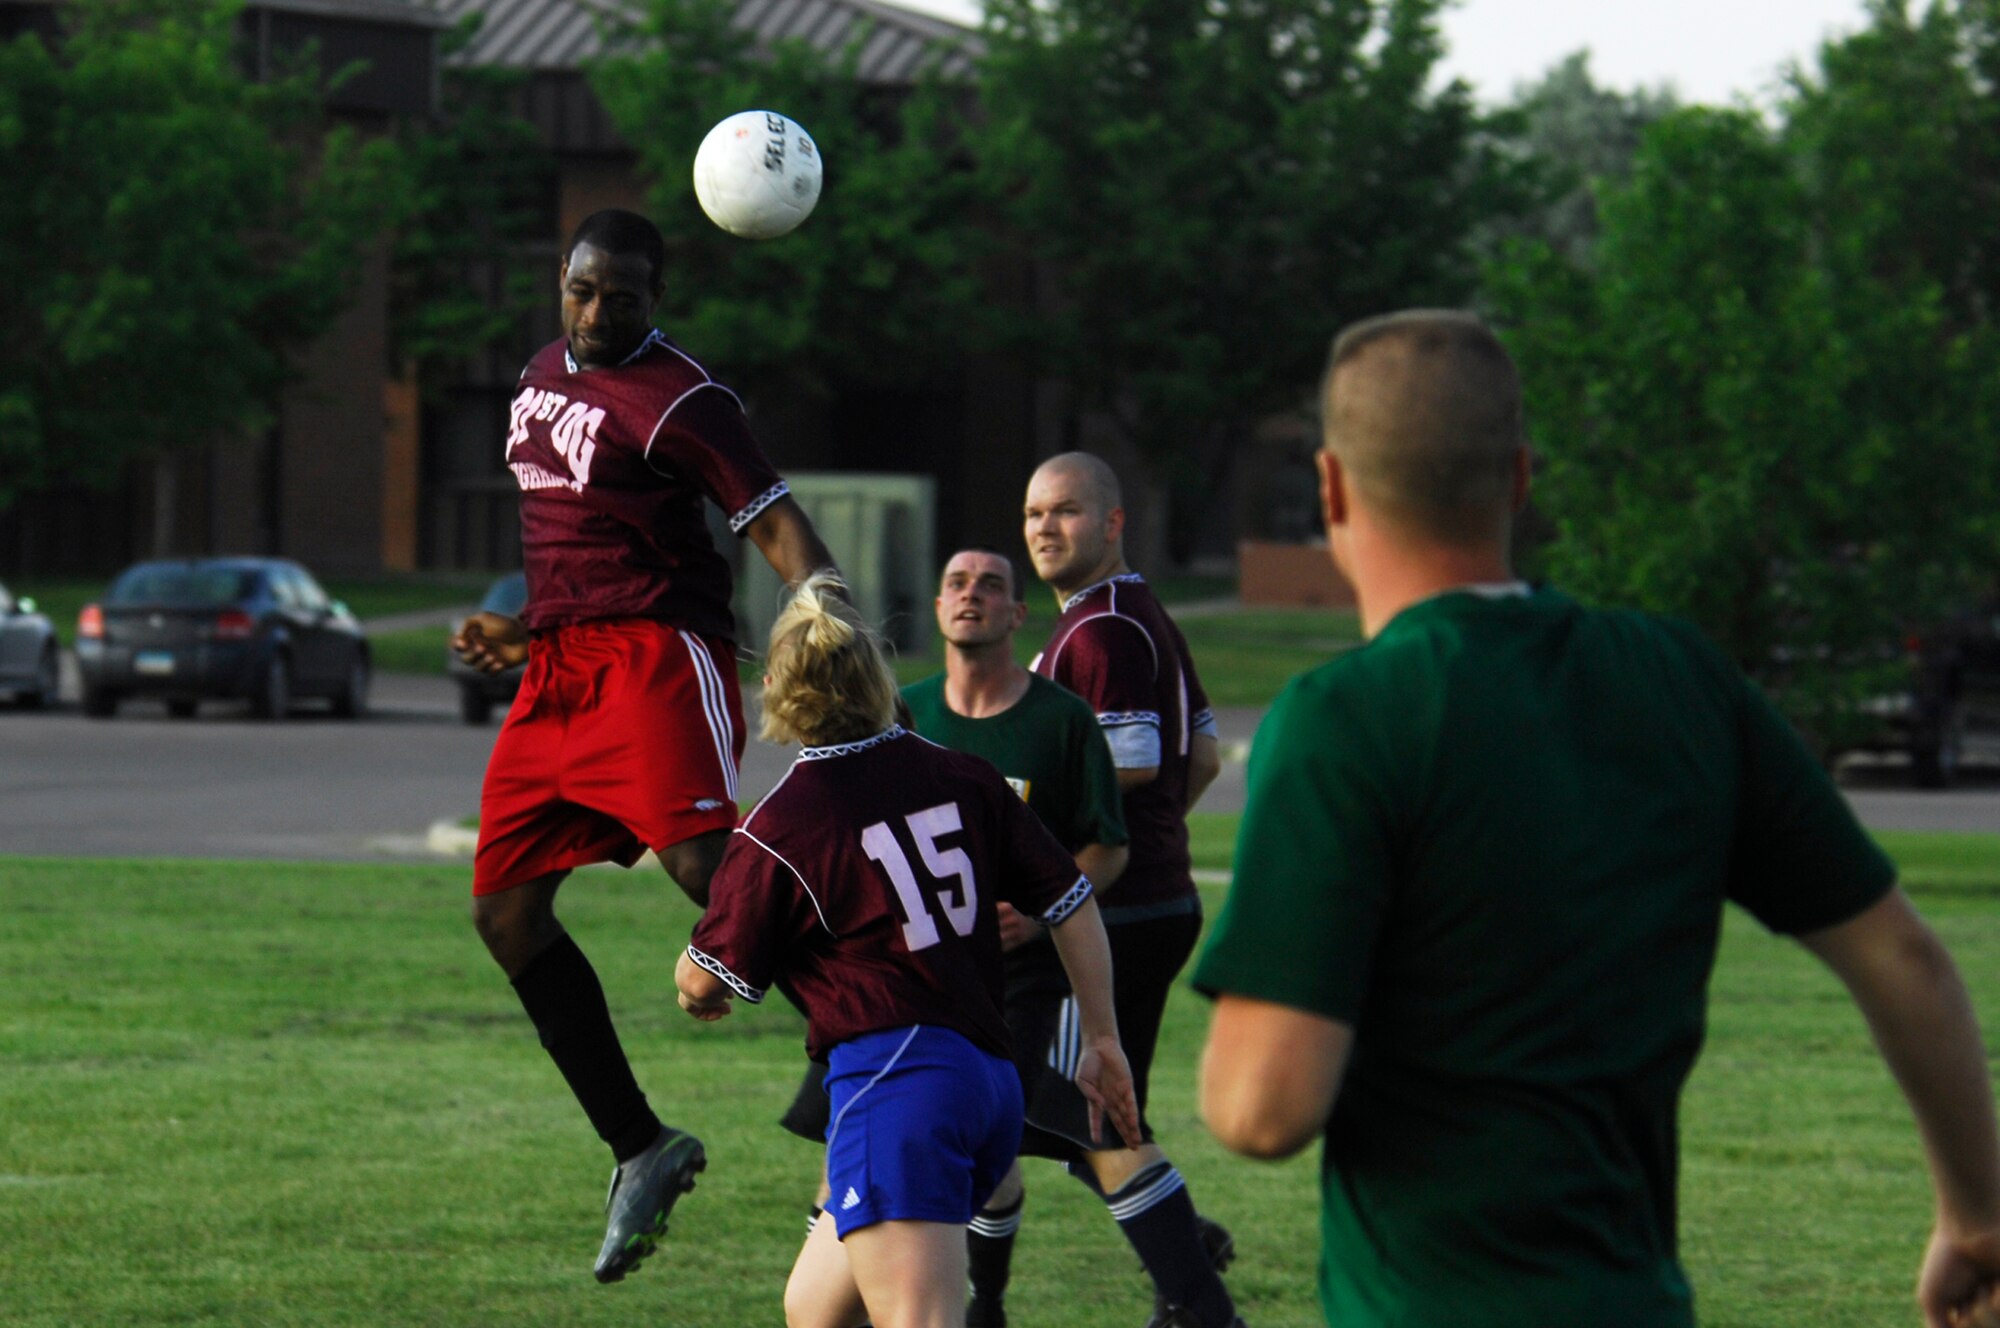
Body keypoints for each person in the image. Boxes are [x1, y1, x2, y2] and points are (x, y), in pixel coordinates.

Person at [1191, 308, 2000, 1327]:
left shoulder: (1342, 718)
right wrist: (1974, 1217)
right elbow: (1903, 959)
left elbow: (1261, 1107)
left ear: (1330, 487)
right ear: (1520, 478)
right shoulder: (1680, 677)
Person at [452, 208, 839, 1284]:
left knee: (703, 864)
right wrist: (524, 627)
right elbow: (578, 534)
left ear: (653, 301)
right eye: (580, 289)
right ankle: (638, 1143)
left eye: (620, 298)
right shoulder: (537, 371)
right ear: (559, 280)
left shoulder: (688, 398)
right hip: (556, 668)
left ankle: (879, 1033)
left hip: (655, 656)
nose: (594, 312)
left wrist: (826, 619)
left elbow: (773, 521)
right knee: (505, 911)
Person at [674, 573, 1143, 1328]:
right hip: (985, 1084)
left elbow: (703, 982)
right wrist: (1102, 1039)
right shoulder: (962, 775)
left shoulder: (781, 825)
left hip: (897, 1088)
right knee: (815, 1310)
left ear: (775, 691)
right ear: (878, 681)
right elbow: (1072, 901)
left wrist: (694, 981)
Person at [1020, 453, 1239, 1328]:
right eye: (1033, 513)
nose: (1043, 527)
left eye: (1066, 512)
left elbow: (1137, 760)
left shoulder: (1101, 631)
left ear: (1113, 523)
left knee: (1078, 1119)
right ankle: (1185, 1252)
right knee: (1082, 1116)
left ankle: (1199, 1297)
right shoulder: (1139, 615)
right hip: (1145, 901)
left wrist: (1097, 842)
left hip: (1109, 911)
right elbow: (1208, 756)